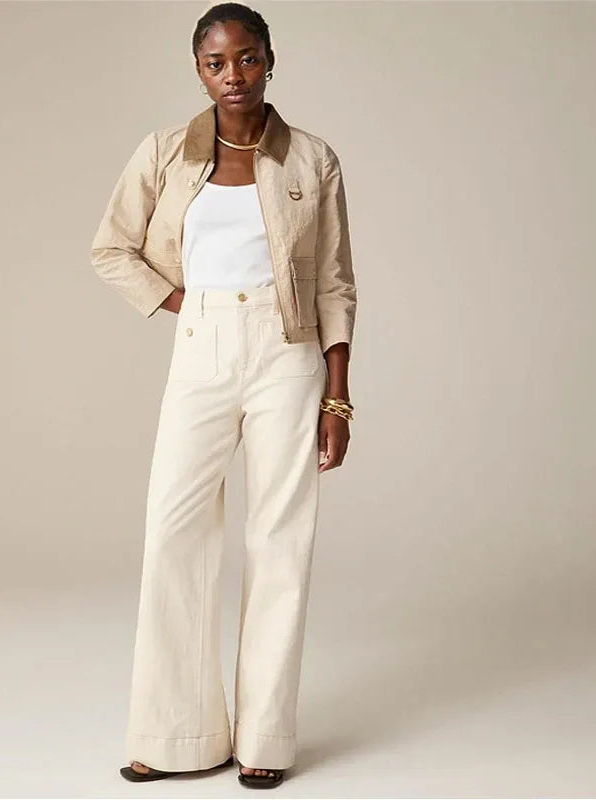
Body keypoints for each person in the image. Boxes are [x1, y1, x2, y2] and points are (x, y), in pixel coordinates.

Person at [91, 2, 357, 788]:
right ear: (198, 70)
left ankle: (264, 739)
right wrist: (187, 303)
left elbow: (336, 284)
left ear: (270, 59)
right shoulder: (165, 153)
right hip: (202, 346)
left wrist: (338, 398)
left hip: (288, 352)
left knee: (279, 541)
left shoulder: (313, 159)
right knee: (174, 534)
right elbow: (111, 248)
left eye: (246, 58)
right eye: (216, 62)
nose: (233, 75)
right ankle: (176, 735)